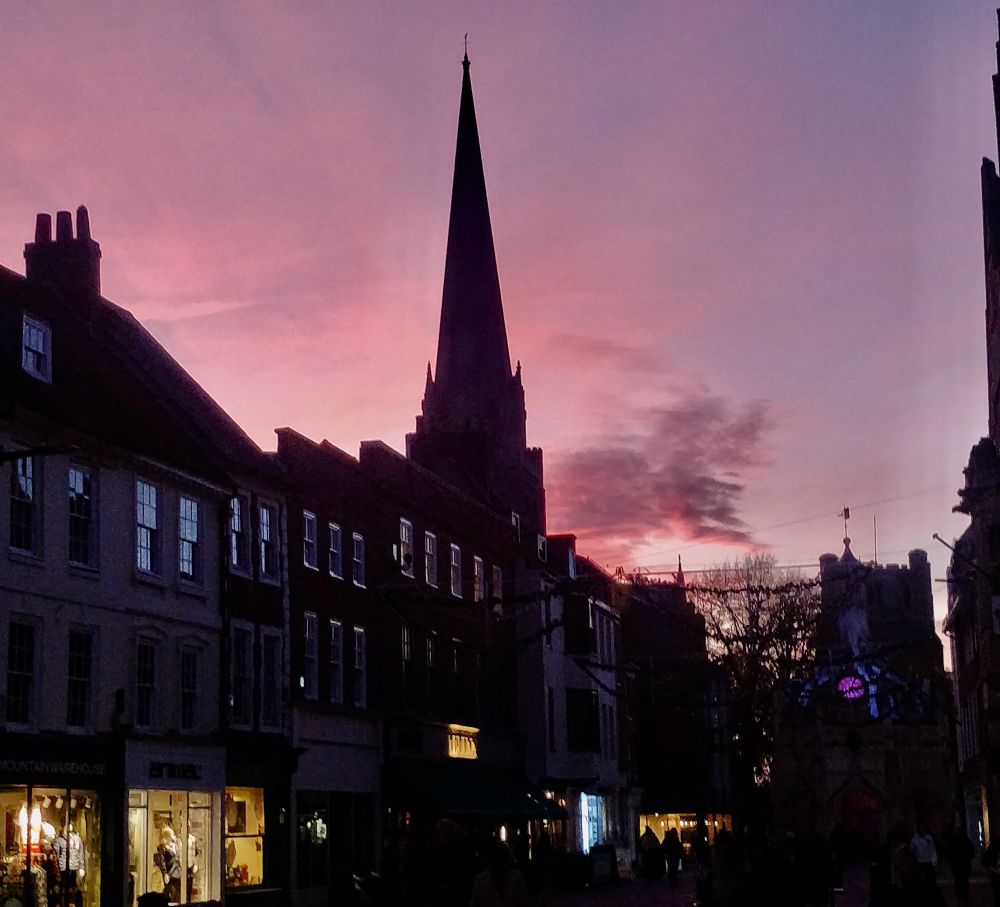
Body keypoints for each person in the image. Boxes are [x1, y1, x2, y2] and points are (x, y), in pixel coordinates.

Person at [469, 841, 530, 907]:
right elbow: (524, 901)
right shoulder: (516, 876)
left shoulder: (481, 879)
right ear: (507, 857)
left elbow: (474, 903)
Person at [944, 823, 974, 907]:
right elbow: (971, 851)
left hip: (961, 866)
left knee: (961, 883)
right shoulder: (963, 840)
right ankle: (963, 899)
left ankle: (962, 899)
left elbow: (971, 851)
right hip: (960, 866)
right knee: (961, 883)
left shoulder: (962, 840)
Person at [154, 825, 182, 902]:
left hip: (178, 872)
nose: (174, 836)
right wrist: (165, 873)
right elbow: (162, 862)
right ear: (168, 836)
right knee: (170, 893)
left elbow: (178, 856)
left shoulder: (175, 844)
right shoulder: (163, 847)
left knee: (178, 893)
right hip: (170, 873)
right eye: (172, 834)